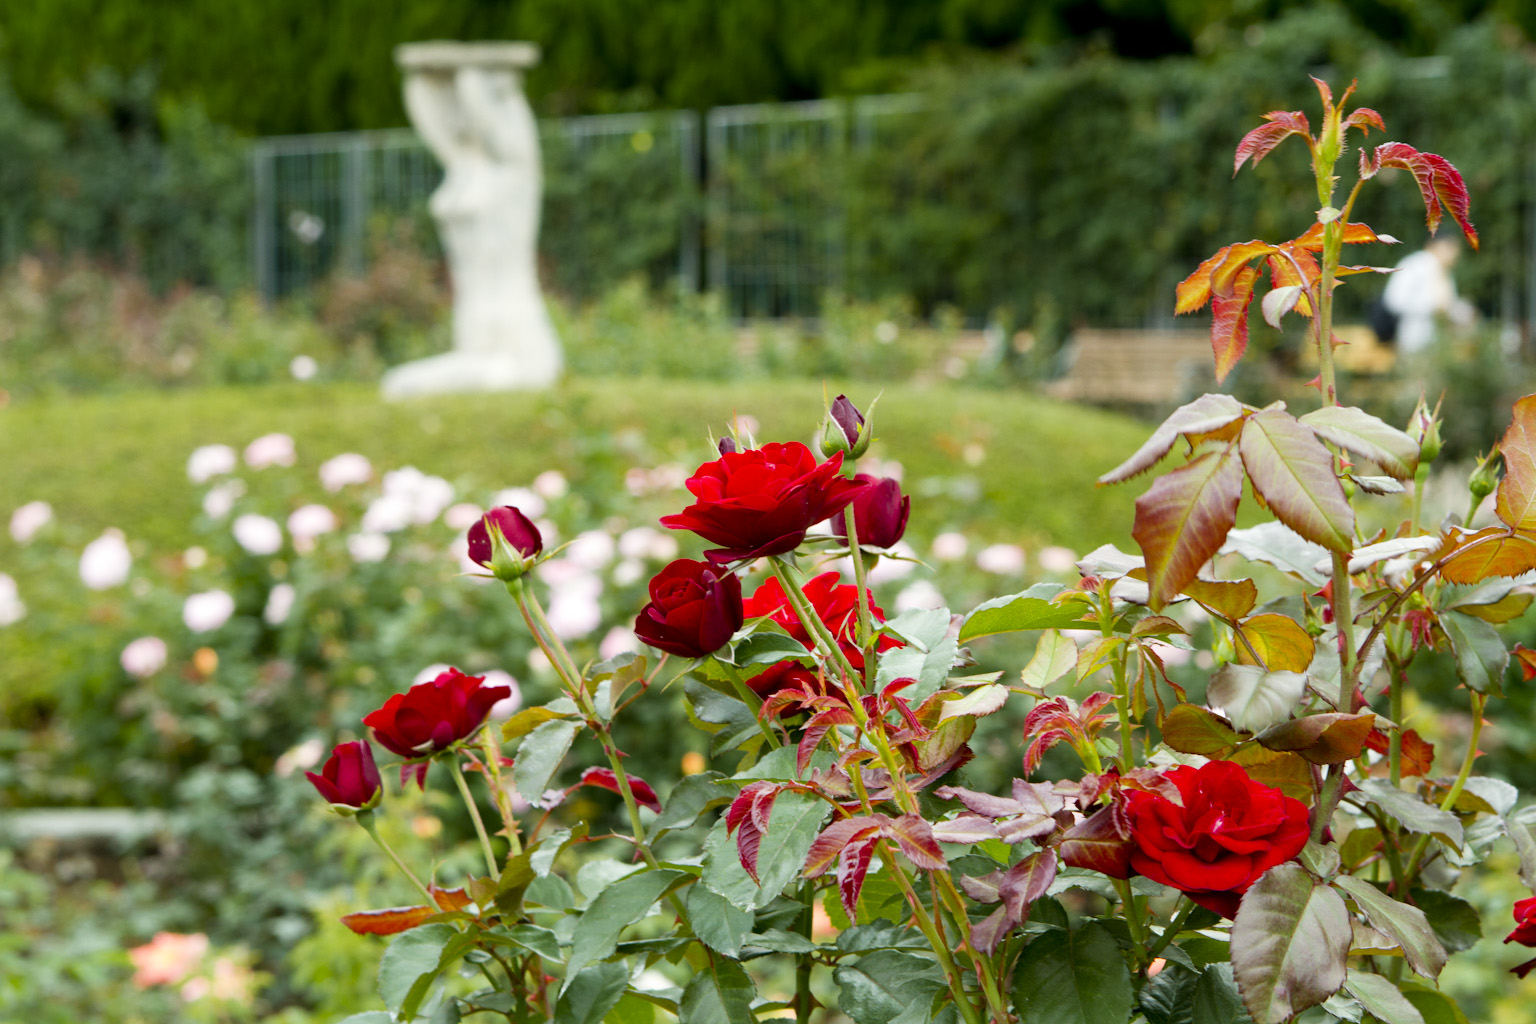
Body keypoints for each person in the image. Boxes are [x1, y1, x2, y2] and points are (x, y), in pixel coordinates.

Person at [1379, 235, 1475, 354]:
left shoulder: (1445, 273)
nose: (1455, 255)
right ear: (1437, 245)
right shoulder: (1414, 265)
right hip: (1413, 338)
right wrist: (1433, 306)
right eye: (1451, 248)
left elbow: (1449, 304)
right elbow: (1394, 300)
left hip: (1437, 343)